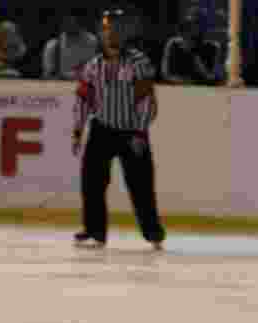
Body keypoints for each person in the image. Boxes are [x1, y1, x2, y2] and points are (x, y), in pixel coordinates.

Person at [72, 8, 166, 250]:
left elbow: (147, 102)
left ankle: (153, 232)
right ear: (101, 33)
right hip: (101, 129)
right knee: (91, 182)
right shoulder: (92, 66)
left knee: (141, 185)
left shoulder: (139, 63)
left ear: (125, 32)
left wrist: (139, 132)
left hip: (131, 132)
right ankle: (95, 232)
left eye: (117, 28)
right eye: (107, 28)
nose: (112, 33)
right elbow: (83, 100)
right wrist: (78, 130)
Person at [42, 15, 99, 81]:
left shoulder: (92, 42)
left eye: (73, 20)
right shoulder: (52, 46)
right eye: (67, 20)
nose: (70, 23)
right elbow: (48, 75)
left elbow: (97, 70)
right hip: (61, 86)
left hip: (86, 85)